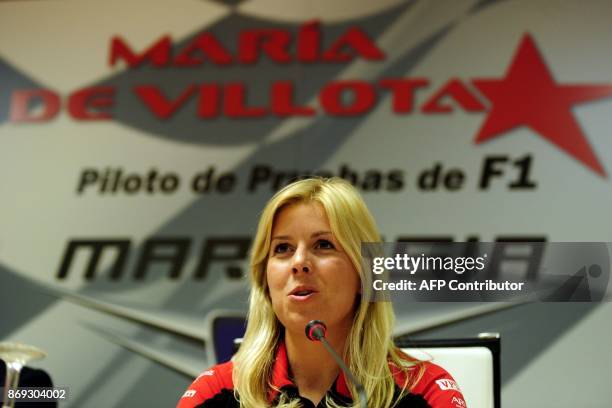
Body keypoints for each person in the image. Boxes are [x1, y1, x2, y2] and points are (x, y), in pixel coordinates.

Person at [177, 177, 466, 408]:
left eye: (323, 245)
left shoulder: (425, 392)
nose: (299, 262)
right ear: (265, 279)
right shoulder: (217, 392)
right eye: (282, 249)